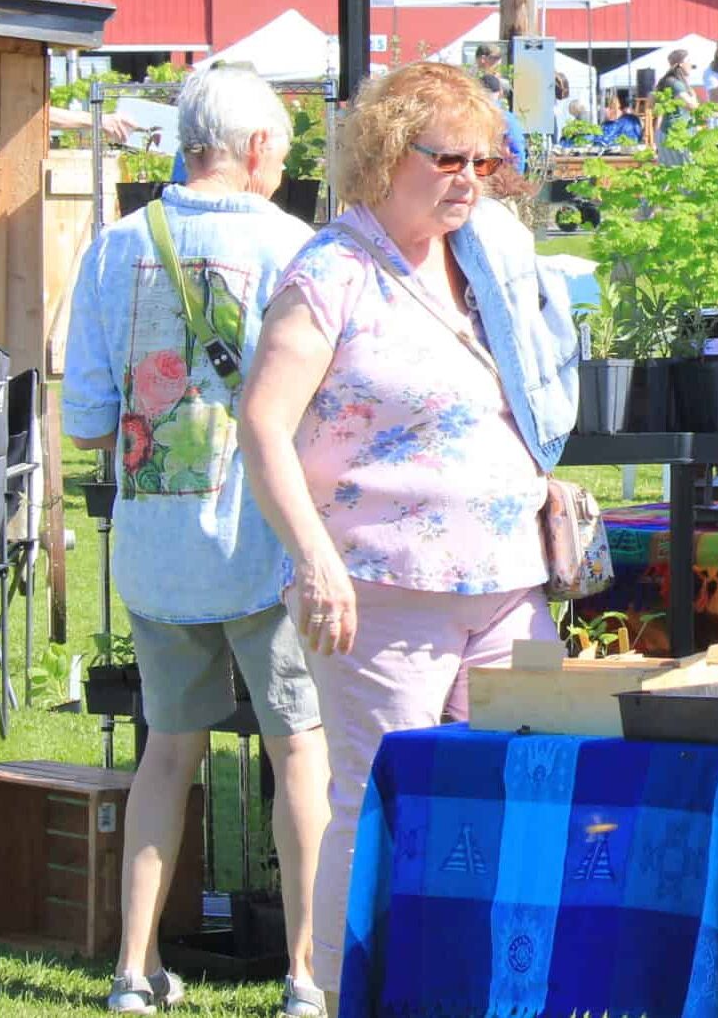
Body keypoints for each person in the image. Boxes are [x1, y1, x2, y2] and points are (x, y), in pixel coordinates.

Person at [237, 62, 580, 1006]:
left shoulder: (484, 262)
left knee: (516, 792)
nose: (471, 176)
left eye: (486, 159)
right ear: (387, 156)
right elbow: (262, 423)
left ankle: (480, 988)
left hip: (507, 579)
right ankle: (354, 991)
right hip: (382, 582)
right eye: (449, 158)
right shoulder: (331, 270)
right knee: (380, 800)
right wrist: (313, 559)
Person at [62, 68, 331, 1018]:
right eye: (286, 148)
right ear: (255, 147)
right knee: (300, 751)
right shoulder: (296, 247)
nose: (287, 163)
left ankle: (134, 970)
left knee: (165, 755)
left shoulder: (112, 248)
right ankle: (304, 973)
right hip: (266, 542)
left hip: (157, 549)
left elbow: (88, 422)